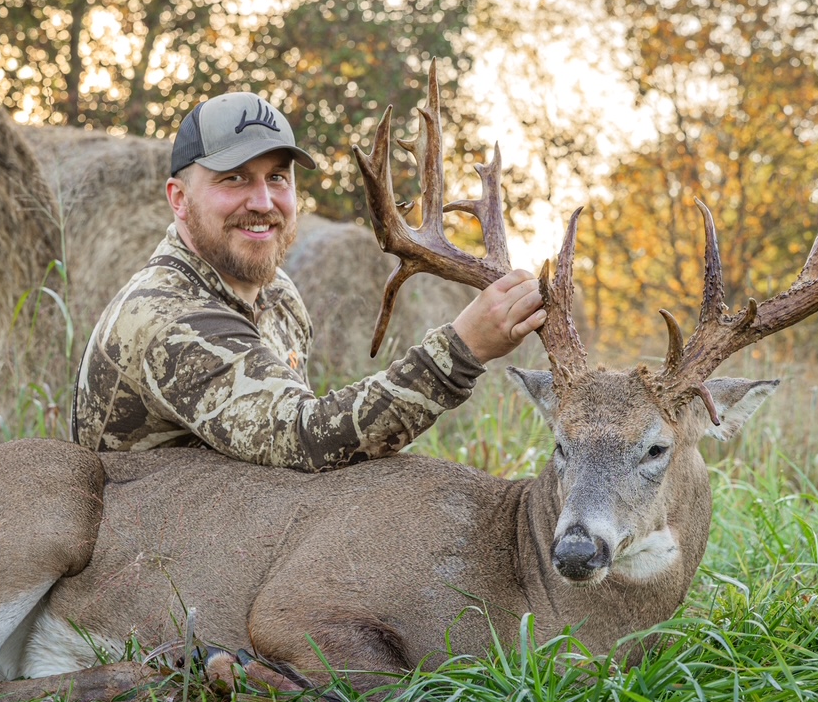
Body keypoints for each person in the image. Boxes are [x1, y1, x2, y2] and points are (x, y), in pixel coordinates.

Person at [71, 91, 546, 471]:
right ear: (179, 199)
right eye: (234, 179)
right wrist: (460, 351)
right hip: (145, 567)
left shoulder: (278, 294)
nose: (262, 202)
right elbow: (303, 439)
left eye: (277, 178)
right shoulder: (166, 317)